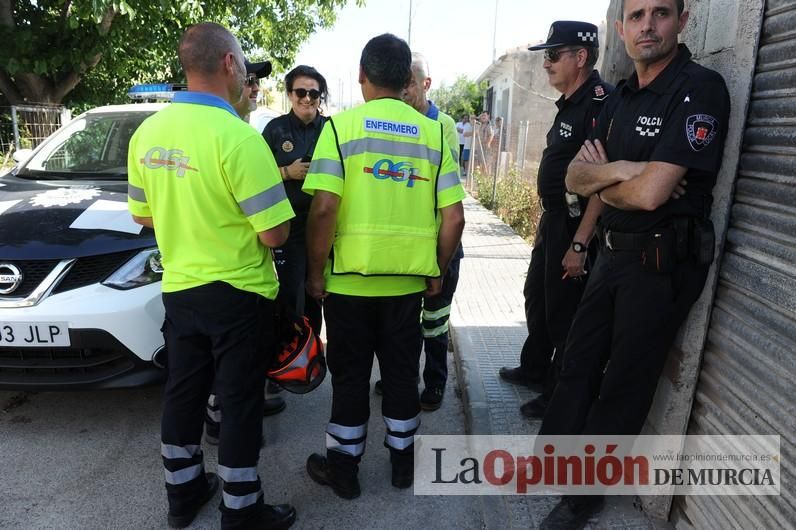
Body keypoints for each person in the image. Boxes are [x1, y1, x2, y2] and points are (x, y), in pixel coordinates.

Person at [538, 1, 730, 527]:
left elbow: (651, 196)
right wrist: (624, 169)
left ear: (682, 21)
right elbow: (574, 180)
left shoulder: (699, 89)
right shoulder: (620, 97)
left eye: (661, 12)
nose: (648, 24)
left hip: (660, 265)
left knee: (623, 381)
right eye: (637, 14)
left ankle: (584, 495)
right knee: (576, 360)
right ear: (621, 28)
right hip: (610, 253)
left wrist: (612, 179)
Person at [127, 22, 297, 529]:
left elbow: (143, 216)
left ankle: (182, 495)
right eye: (242, 62)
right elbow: (275, 235)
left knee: (183, 392)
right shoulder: (240, 140)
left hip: (180, 290)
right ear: (228, 64)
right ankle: (242, 513)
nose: (245, 70)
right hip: (240, 295)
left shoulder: (147, 133)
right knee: (240, 401)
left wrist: (189, 215)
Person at [302, 33, 465, 499]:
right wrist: (436, 268)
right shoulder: (433, 133)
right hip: (406, 287)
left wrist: (315, 274)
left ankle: (345, 472)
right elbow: (453, 215)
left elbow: (324, 210)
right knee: (400, 376)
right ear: (406, 79)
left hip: (350, 284)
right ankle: (401, 466)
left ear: (362, 76)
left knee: (350, 379)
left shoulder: (340, 129)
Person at [498, 20, 612, 421]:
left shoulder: (599, 104)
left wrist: (579, 243)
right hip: (553, 219)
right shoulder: (570, 102)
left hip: (574, 222)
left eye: (552, 55)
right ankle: (533, 368)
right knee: (537, 296)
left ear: (580, 57)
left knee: (565, 313)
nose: (545, 64)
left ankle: (555, 394)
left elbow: (601, 182)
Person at [204, 59, 285, 447]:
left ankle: (224, 414)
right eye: (248, 80)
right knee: (233, 377)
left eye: (257, 83)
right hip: (237, 281)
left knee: (218, 372)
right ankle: (241, 498)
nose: (253, 88)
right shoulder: (239, 139)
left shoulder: (246, 131)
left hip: (191, 281)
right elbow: (272, 232)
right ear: (230, 74)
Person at [400, 51, 465, 410]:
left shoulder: (444, 126)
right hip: (410, 247)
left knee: (436, 320)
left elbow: (443, 190)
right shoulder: (398, 125)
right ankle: (404, 379)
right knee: (407, 323)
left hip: (442, 245)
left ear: (425, 83)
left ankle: (436, 382)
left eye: (410, 82)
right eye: (401, 83)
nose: (404, 90)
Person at [262, 65, 329, 335]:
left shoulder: (331, 128)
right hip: (290, 229)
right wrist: (286, 172)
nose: (308, 98)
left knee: (320, 297)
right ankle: (292, 360)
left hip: (326, 228)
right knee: (292, 297)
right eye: (301, 91)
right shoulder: (275, 130)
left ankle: (315, 357)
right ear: (290, 94)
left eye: (314, 93)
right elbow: (255, 176)